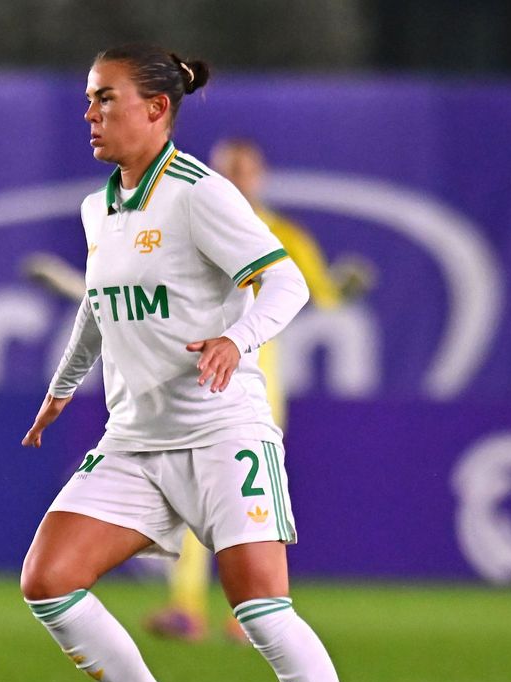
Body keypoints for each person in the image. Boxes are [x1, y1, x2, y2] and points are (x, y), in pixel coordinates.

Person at [19, 44, 383, 682]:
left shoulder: (199, 193)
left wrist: (236, 338)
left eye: (105, 99)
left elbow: (283, 280)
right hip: (135, 439)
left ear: (156, 108)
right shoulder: (99, 206)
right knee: (48, 582)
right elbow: (94, 303)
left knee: (260, 610)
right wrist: (61, 388)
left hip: (222, 432)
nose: (89, 113)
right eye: (87, 98)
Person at [24, 139, 375, 643]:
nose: (237, 176)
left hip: (251, 385)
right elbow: (130, 292)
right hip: (182, 381)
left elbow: (312, 293)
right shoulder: (185, 213)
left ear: (261, 175)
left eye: (245, 169)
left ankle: (254, 609)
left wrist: (342, 287)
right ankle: (188, 607)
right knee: (190, 499)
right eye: (228, 167)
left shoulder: (284, 235)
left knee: (245, 503)